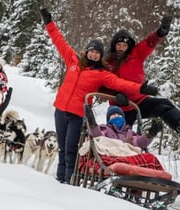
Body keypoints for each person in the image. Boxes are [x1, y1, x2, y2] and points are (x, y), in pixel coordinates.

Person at [40, 8, 159, 184]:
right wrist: (49, 23)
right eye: (92, 51)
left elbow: (121, 84)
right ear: (87, 52)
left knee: (71, 148)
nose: (94, 54)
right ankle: (59, 178)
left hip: (78, 114)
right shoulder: (73, 61)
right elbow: (59, 41)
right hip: (60, 110)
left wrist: (141, 89)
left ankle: (69, 180)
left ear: (100, 56)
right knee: (62, 148)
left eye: (97, 53)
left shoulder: (101, 73)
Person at [103, 17, 180, 135]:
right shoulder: (107, 64)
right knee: (121, 135)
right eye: (119, 45)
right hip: (119, 107)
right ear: (114, 46)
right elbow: (102, 85)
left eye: (124, 45)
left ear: (128, 47)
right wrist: (115, 95)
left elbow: (148, 43)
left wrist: (160, 33)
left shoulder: (136, 54)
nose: (121, 48)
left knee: (163, 104)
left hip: (139, 101)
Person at [87, 105, 162, 151]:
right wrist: (93, 125)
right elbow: (98, 137)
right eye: (113, 114)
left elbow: (138, 142)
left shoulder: (129, 132)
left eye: (118, 114)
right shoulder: (105, 129)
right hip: (110, 153)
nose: (116, 115)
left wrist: (150, 134)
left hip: (127, 155)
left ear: (123, 118)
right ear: (108, 119)